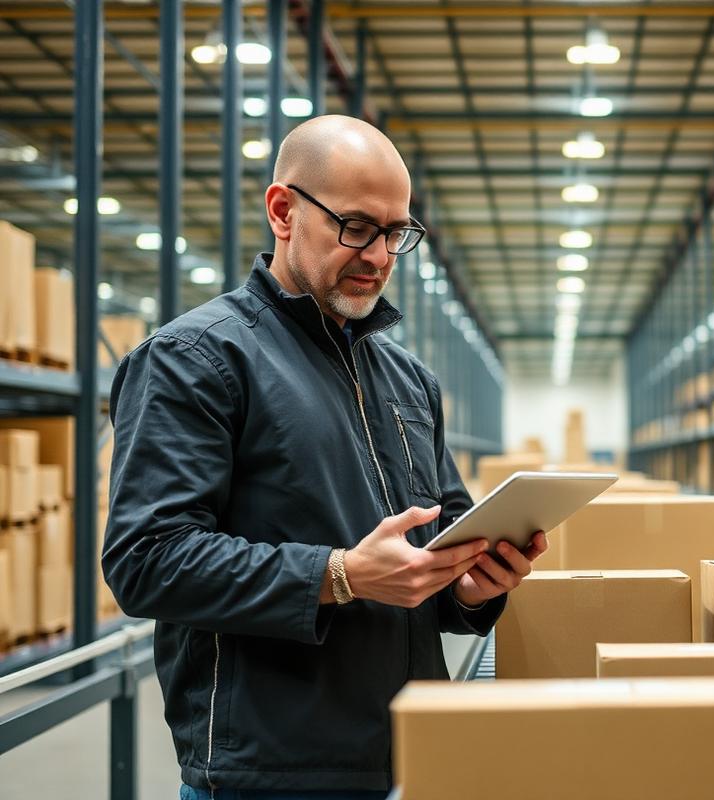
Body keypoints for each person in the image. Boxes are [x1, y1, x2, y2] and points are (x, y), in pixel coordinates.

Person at [102, 114, 547, 799]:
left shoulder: (406, 379)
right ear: (283, 211)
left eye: (397, 233)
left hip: (409, 752)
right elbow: (146, 560)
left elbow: (443, 544)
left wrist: (474, 584)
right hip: (270, 772)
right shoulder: (198, 359)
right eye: (358, 227)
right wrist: (337, 575)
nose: (379, 255)